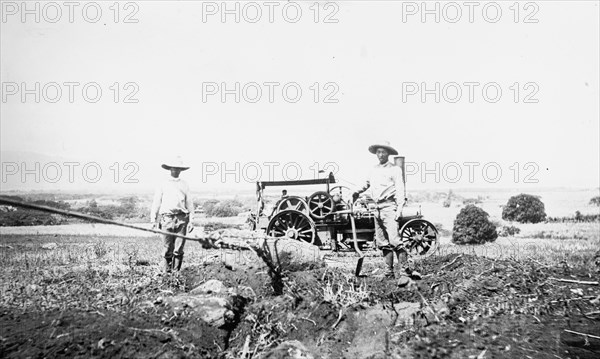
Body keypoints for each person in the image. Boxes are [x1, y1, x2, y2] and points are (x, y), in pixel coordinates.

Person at [352, 141, 421, 284]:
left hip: (389, 207)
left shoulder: (395, 170)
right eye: (378, 152)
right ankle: (389, 272)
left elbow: (400, 189)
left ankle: (404, 272)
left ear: (388, 154)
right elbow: (365, 184)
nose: (381, 155)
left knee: (395, 241)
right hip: (376, 209)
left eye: (383, 152)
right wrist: (355, 191)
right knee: (382, 242)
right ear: (376, 154)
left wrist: (400, 208)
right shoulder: (373, 170)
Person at [150, 157, 194, 273]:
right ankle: (167, 275)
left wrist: (191, 221)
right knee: (167, 248)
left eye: (178, 169)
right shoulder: (163, 183)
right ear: (170, 169)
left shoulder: (184, 184)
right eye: (174, 169)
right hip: (167, 219)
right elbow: (156, 202)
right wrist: (153, 220)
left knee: (178, 249)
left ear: (181, 170)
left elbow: (189, 203)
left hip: (181, 219)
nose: (176, 171)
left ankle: (176, 275)